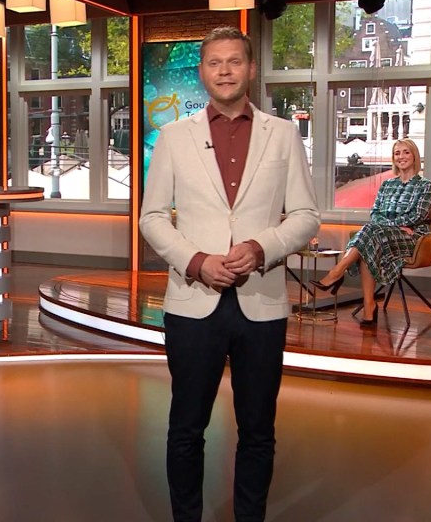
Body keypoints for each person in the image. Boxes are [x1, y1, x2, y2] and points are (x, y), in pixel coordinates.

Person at [139, 26, 320, 522]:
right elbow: (152, 217)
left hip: (262, 304)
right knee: (186, 429)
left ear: (251, 69)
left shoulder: (283, 134)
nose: (224, 71)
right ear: (202, 72)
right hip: (192, 304)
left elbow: (306, 215)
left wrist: (262, 248)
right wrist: (197, 261)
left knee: (258, 431)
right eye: (214, 62)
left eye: (234, 61)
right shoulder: (174, 137)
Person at [312, 139, 431, 326]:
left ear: (414, 156)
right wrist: (391, 226)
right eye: (397, 153)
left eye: (406, 152)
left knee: (370, 233)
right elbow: (375, 213)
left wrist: (390, 226)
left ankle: (338, 271)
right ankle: (369, 305)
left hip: (411, 238)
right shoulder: (387, 185)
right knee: (370, 239)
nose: (401, 157)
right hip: (382, 234)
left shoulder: (425, 185)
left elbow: (418, 216)